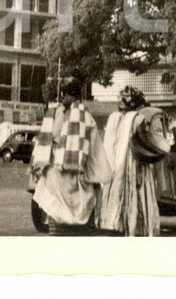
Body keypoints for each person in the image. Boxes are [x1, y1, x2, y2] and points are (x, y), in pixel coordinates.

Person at [30, 78, 111, 236]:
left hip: (75, 177)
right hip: (57, 177)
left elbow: (92, 148)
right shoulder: (56, 115)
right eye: (62, 95)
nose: (62, 98)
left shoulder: (83, 118)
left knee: (76, 228)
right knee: (57, 220)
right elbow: (47, 142)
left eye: (65, 95)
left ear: (73, 97)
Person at [97, 86, 161, 237]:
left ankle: (114, 222)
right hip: (134, 166)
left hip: (115, 166)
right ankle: (135, 228)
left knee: (116, 195)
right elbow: (145, 145)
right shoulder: (138, 120)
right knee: (137, 198)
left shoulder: (114, 118)